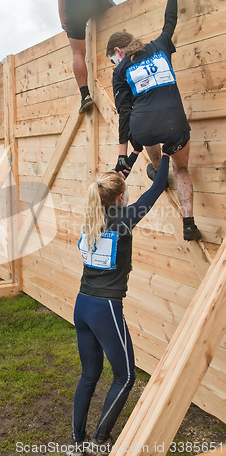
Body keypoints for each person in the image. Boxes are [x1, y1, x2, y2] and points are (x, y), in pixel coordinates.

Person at [67, 153, 170, 456]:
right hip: (105, 309)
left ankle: (77, 440)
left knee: (89, 374)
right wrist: (164, 154)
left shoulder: (91, 217)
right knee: (125, 376)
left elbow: (107, 188)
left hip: (83, 305)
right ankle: (99, 439)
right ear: (122, 198)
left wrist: (121, 171)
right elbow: (158, 186)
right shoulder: (125, 219)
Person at [106, 0, 201, 242]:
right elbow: (171, 20)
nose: (114, 62)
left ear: (118, 51)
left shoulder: (121, 70)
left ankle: (158, 167)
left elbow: (124, 113)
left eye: (112, 57)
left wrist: (123, 156)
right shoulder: (160, 45)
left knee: (145, 131)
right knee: (182, 169)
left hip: (145, 130)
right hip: (175, 124)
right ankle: (189, 223)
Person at [58, 0, 118, 114]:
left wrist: (64, 24)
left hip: (71, 3)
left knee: (77, 53)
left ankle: (85, 96)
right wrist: (108, 5)